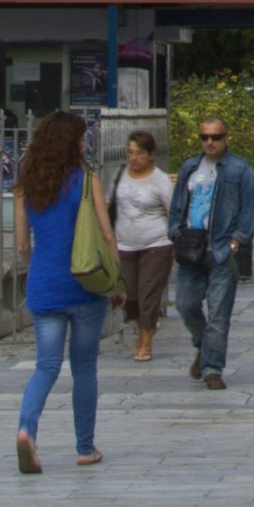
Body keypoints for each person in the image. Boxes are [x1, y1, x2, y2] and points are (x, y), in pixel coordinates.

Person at [9, 112, 105, 473]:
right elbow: (106, 235)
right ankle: (85, 447)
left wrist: (38, 265)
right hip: (84, 285)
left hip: (44, 286)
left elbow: (21, 245)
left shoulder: (25, 186)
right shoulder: (86, 181)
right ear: (74, 143)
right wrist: (115, 283)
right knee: (84, 369)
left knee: (46, 367)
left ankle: (26, 431)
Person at [170, 114, 254, 391]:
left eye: (215, 137)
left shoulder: (238, 170)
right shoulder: (189, 167)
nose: (209, 142)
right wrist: (175, 231)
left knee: (219, 314)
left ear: (226, 138)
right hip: (190, 250)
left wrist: (236, 243)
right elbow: (177, 206)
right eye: (205, 137)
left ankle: (212, 370)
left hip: (221, 251)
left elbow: (249, 211)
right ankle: (204, 346)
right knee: (185, 305)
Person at [109, 129, 176, 363]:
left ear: (150, 155)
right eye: (130, 152)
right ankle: (144, 329)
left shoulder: (160, 180)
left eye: (139, 153)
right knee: (131, 298)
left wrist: (175, 247)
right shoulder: (120, 175)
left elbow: (174, 214)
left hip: (156, 245)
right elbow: (111, 206)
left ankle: (145, 342)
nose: (134, 158)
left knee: (148, 296)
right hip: (125, 245)